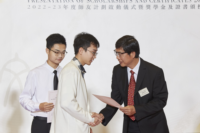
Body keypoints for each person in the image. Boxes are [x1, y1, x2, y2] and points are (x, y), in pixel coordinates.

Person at [93, 35, 169, 133]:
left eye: (120, 54)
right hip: (130, 126)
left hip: (153, 126)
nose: (117, 57)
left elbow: (161, 100)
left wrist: (136, 109)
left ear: (132, 54)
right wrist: (102, 115)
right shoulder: (117, 71)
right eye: (116, 53)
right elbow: (116, 99)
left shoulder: (154, 72)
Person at [50, 32, 101, 133]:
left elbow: (76, 103)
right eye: (93, 52)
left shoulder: (76, 70)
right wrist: (90, 118)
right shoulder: (71, 70)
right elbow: (67, 103)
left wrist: (87, 124)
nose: (94, 56)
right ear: (81, 50)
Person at [19, 33, 67, 133]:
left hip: (62, 122)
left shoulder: (66, 73)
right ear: (47, 50)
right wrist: (38, 106)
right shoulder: (35, 73)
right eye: (56, 52)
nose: (60, 56)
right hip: (41, 123)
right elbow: (24, 98)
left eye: (63, 52)